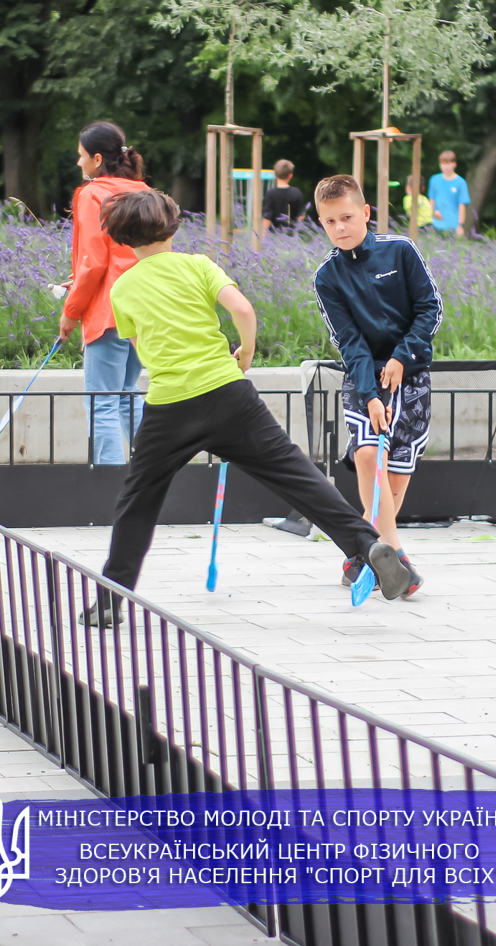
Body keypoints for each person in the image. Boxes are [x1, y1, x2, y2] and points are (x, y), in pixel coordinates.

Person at [85, 189, 411, 625]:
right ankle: (366, 544)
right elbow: (241, 308)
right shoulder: (198, 265)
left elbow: (138, 343)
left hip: (169, 408)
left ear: (122, 238)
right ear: (173, 226)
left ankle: (109, 602)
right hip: (228, 394)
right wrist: (247, 352)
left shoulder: (123, 288)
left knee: (137, 501)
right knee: (296, 475)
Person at [312, 175, 443, 595]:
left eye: (347, 217)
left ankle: (362, 557)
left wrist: (403, 357)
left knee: (393, 485)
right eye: (330, 221)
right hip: (363, 376)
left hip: (413, 374)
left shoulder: (401, 250)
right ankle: (399, 560)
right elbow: (348, 341)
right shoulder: (326, 276)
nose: (340, 228)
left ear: (366, 213)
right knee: (368, 453)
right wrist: (369, 394)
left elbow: (430, 309)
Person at [59, 121, 149, 465]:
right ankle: (152, 473)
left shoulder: (92, 193)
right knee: (127, 394)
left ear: (97, 159)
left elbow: (93, 262)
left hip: (107, 311)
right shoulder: (142, 190)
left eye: (81, 155)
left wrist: (71, 310)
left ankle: (110, 486)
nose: (78, 162)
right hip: (143, 309)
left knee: (102, 402)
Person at [427, 150, 470, 237]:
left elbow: (462, 205)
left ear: (454, 164)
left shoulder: (461, 182)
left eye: (448, 164)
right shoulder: (434, 179)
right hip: (435, 224)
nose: (446, 167)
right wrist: (433, 214)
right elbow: (431, 200)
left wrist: (460, 225)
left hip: (453, 226)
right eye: (443, 164)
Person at [262, 159, 306, 230]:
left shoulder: (270, 193)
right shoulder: (297, 192)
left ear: (275, 175)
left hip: (274, 234)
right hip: (291, 234)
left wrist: (263, 234)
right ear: (290, 176)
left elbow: (267, 217)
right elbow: (300, 216)